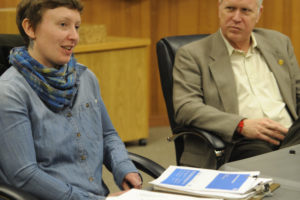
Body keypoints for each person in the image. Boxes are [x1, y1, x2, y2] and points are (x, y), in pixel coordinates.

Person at [0, 0, 142, 199]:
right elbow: (24, 175)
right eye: (63, 25)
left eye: (77, 27)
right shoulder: (9, 91)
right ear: (30, 28)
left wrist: (125, 168)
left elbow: (108, 135)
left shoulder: (86, 78)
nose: (74, 36)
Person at [173, 0, 300, 168]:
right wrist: (241, 125)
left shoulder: (278, 42)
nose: (236, 18)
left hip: (290, 133)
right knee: (274, 162)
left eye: (245, 11)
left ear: (259, 14)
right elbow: (186, 107)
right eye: (230, 9)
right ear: (219, 9)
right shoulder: (193, 54)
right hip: (240, 141)